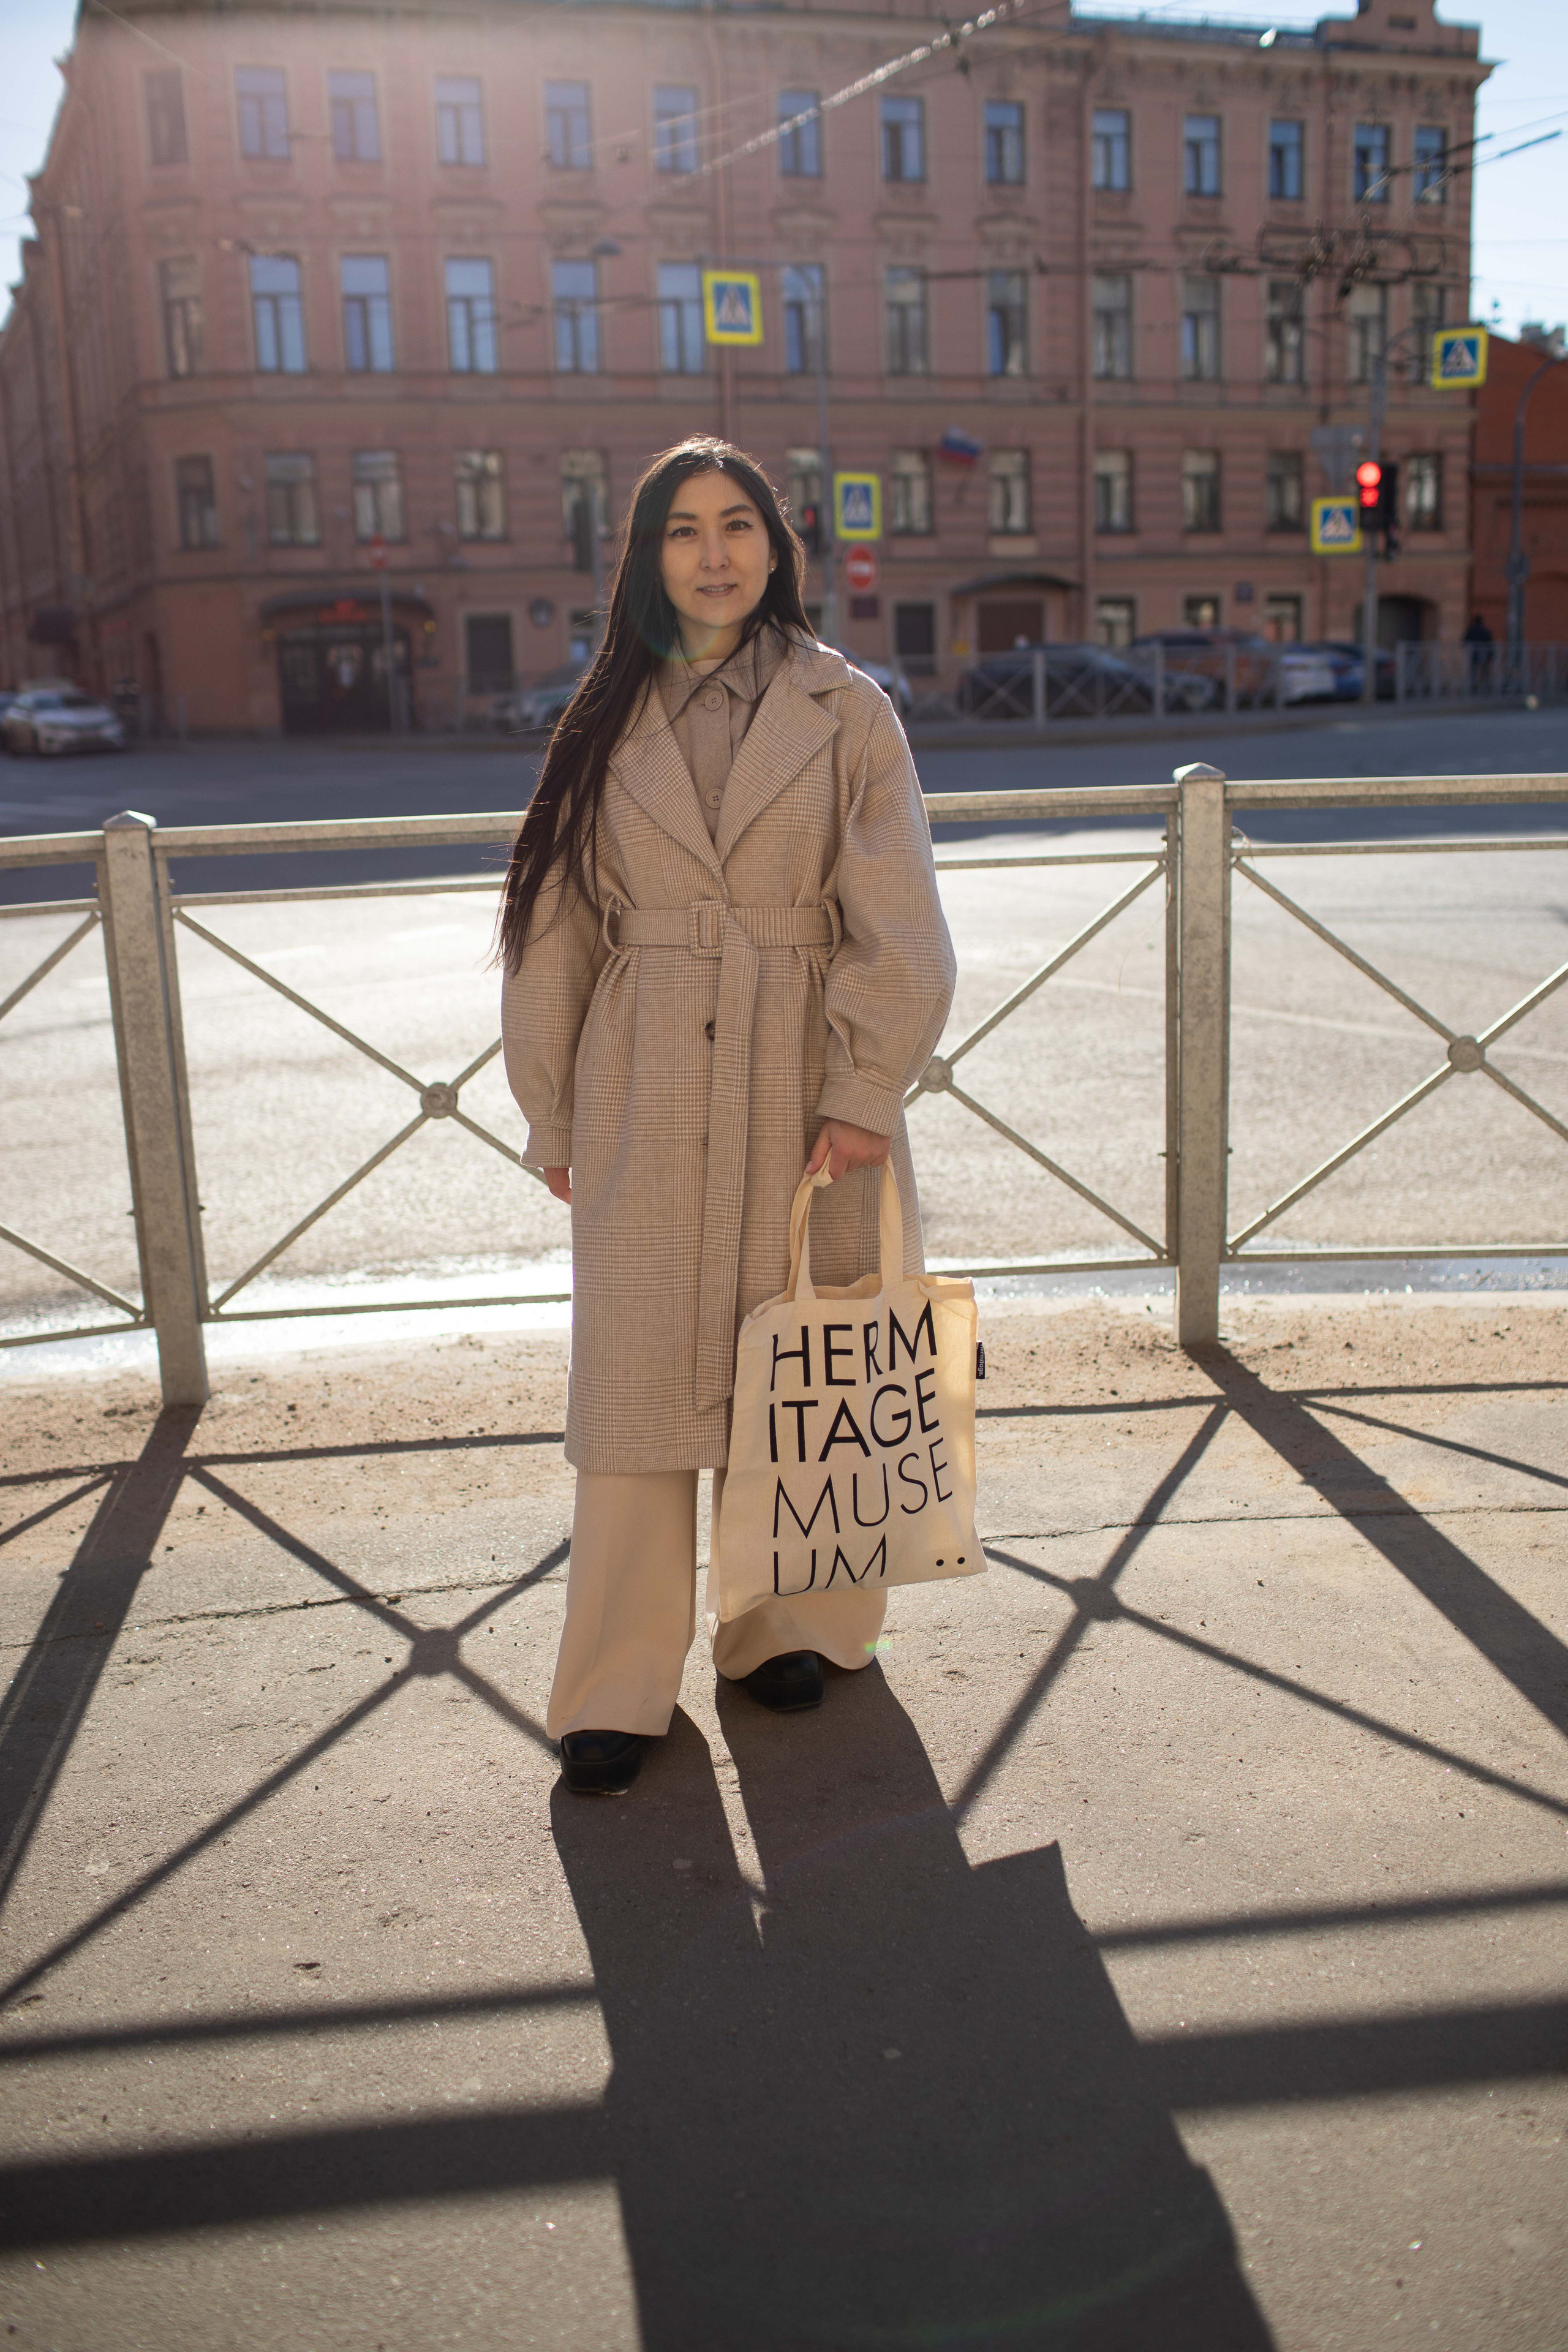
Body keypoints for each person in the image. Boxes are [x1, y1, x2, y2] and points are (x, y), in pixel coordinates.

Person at [499, 438, 956, 1794]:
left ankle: (785, 1627)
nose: (714, 553)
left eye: (737, 525)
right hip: (644, 1065)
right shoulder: (599, 716)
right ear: (644, 557)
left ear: (775, 546)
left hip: (804, 1071)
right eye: (683, 530)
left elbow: (901, 914)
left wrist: (867, 1090)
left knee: (801, 1357)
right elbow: (554, 928)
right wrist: (555, 1110)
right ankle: (616, 1685)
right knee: (637, 1392)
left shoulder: (845, 708)